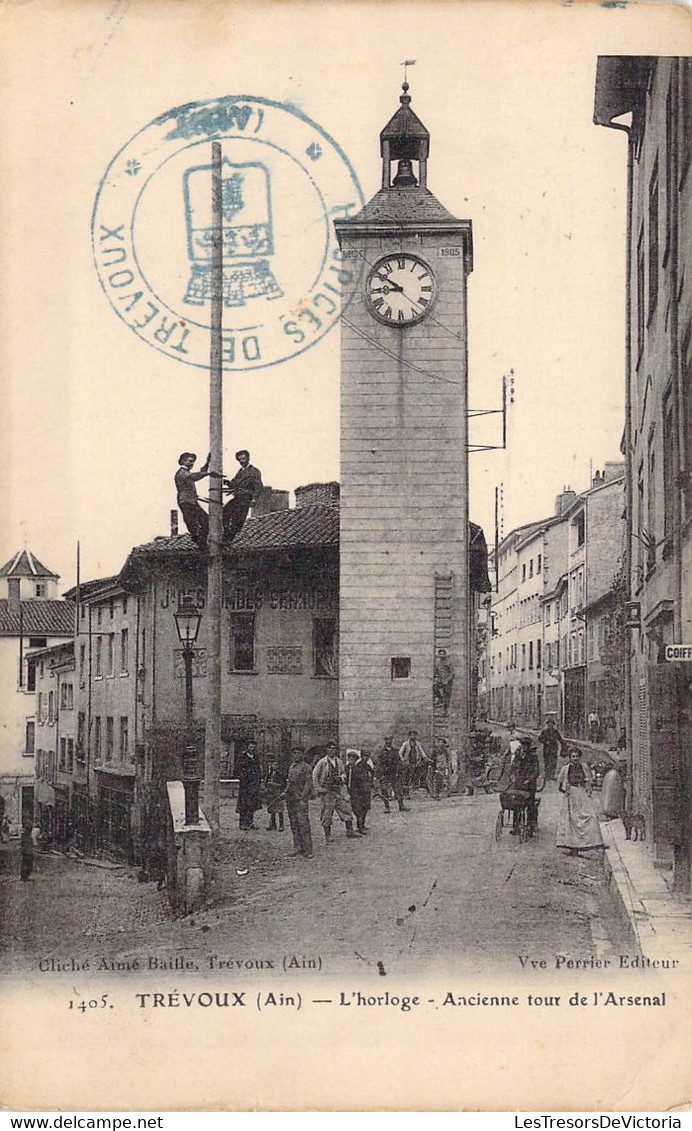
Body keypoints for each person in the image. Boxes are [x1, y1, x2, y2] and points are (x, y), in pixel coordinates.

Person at [556, 748, 605, 856]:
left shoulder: (584, 768)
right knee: (571, 820)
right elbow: (560, 783)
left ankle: (589, 842)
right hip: (571, 795)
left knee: (589, 815)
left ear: (580, 757)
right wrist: (566, 792)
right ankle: (572, 846)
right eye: (573, 756)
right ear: (570, 758)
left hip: (581, 793)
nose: (575, 759)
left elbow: (588, 781)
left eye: (577, 756)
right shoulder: (565, 769)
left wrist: (587, 791)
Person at [312, 741, 360, 842]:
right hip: (327, 791)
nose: (332, 750)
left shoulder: (339, 761)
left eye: (334, 748)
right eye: (330, 748)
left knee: (346, 808)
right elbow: (315, 776)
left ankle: (349, 831)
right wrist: (320, 789)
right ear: (327, 749)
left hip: (338, 789)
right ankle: (328, 834)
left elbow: (343, 773)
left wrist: (341, 778)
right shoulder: (322, 762)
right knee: (327, 813)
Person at [222, 450, 263, 542]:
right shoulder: (240, 472)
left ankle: (228, 539)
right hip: (237, 497)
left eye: (243, 458)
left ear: (248, 458)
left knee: (237, 520)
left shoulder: (254, 471)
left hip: (246, 498)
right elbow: (234, 484)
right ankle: (226, 533)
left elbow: (258, 486)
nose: (241, 461)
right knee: (224, 512)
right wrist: (227, 482)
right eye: (239, 459)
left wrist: (254, 499)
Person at [174, 452, 210, 548]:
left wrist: (207, 463)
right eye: (190, 461)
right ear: (183, 461)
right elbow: (195, 477)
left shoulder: (186, 472)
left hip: (192, 501)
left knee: (206, 521)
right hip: (185, 501)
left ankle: (201, 542)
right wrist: (208, 473)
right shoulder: (181, 472)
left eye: (193, 462)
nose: (192, 464)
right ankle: (199, 540)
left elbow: (199, 473)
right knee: (193, 523)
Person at [284, 747, 313, 858]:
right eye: (294, 753)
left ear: (302, 755)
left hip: (300, 800)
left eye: (298, 753)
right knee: (294, 824)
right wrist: (285, 792)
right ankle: (297, 847)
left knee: (303, 824)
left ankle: (308, 849)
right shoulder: (292, 767)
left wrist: (302, 798)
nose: (296, 755)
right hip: (290, 799)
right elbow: (290, 782)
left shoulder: (306, 767)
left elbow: (308, 784)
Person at [508, 736, 539, 836]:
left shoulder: (533, 756)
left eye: (526, 745)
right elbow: (513, 767)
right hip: (518, 783)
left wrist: (529, 780)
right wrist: (513, 777)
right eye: (523, 745)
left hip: (530, 785)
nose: (524, 747)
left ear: (529, 746)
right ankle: (516, 826)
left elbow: (536, 771)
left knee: (530, 804)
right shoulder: (518, 755)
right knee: (516, 804)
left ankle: (530, 826)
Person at [376, 736, 409, 813]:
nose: (388, 741)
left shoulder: (395, 751)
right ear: (385, 740)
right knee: (384, 790)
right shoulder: (381, 752)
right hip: (385, 774)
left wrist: (399, 772)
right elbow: (378, 764)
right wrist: (380, 775)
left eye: (390, 739)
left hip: (394, 774)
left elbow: (399, 762)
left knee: (398, 790)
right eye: (387, 739)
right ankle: (387, 807)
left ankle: (401, 806)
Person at [235, 740, 262, 831]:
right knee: (243, 804)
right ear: (247, 747)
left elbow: (258, 769)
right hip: (245, 785)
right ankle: (242, 823)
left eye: (254, 747)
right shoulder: (242, 757)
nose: (252, 748)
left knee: (252, 804)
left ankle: (250, 823)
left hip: (254, 784)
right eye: (251, 747)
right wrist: (243, 778)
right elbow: (237, 770)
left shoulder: (256, 757)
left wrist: (258, 781)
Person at [346, 749, 372, 835]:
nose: (366, 758)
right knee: (358, 809)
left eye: (367, 756)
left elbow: (372, 774)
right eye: (364, 756)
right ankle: (359, 827)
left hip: (365, 790)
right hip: (356, 792)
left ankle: (362, 825)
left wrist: (370, 783)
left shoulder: (367, 766)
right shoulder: (355, 767)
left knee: (365, 808)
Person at [398, 730, 428, 795]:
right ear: (409, 736)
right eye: (411, 735)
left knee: (420, 771)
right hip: (407, 762)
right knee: (406, 777)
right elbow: (400, 753)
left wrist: (425, 757)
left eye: (414, 735)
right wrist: (403, 760)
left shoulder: (417, 744)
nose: (413, 736)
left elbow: (421, 751)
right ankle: (406, 793)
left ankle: (420, 784)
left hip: (415, 762)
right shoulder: (405, 744)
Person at [263, 752, 286, 832]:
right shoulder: (269, 774)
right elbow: (265, 782)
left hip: (278, 793)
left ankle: (281, 825)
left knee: (279, 810)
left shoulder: (280, 774)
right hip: (270, 793)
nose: (274, 766)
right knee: (272, 810)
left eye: (276, 765)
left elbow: (283, 784)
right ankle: (273, 824)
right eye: (272, 764)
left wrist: (274, 784)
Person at [433, 649, 454, 714]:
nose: (441, 656)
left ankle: (445, 710)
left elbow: (452, 673)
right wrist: (436, 678)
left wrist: (447, 680)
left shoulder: (448, 662)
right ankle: (440, 698)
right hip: (440, 679)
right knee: (435, 687)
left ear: (445, 655)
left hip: (447, 680)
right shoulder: (437, 663)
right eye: (440, 655)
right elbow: (435, 672)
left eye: (443, 654)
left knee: (446, 695)